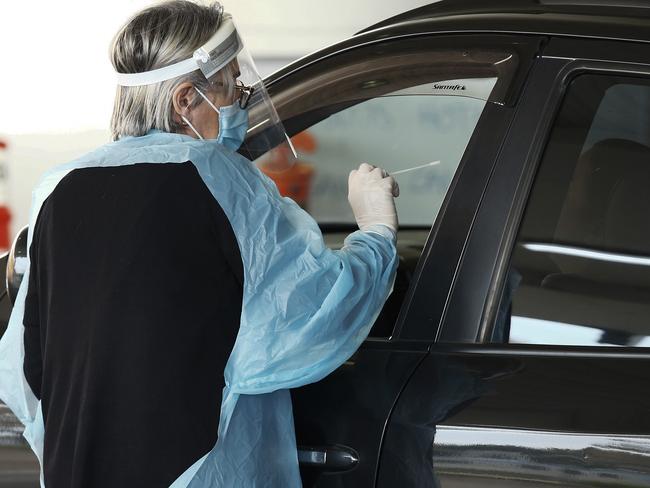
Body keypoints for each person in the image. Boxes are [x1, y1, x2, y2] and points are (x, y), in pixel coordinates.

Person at [0, 1, 399, 486]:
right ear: (185, 99)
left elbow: (26, 367)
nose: (241, 100)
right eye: (231, 85)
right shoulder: (218, 178)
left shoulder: (58, 186)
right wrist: (375, 231)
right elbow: (307, 319)